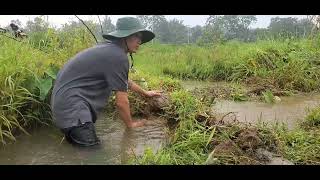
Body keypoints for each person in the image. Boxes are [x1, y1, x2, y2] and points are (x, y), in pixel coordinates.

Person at [51, 17, 162, 147]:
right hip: (75, 112)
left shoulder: (109, 50)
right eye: (136, 36)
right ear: (124, 37)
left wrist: (145, 93)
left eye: (141, 37)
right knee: (95, 156)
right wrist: (130, 125)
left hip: (64, 110)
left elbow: (125, 81)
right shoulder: (118, 56)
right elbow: (121, 103)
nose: (140, 41)